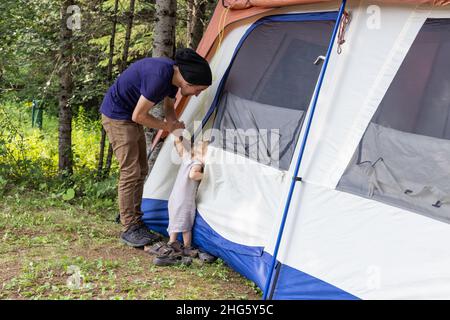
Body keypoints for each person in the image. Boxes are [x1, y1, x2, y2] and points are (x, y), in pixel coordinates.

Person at [100, 48, 212, 248]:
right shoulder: (159, 76)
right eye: (198, 90)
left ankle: (134, 219)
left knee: (141, 169)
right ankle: (129, 227)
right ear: (188, 82)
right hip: (117, 115)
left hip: (130, 115)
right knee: (131, 171)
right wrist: (168, 127)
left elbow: (169, 109)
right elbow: (139, 116)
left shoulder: (172, 78)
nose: (196, 95)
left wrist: (175, 126)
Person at [147, 137, 208, 266]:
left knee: (175, 221)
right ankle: (186, 247)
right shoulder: (197, 163)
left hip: (174, 197)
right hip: (185, 199)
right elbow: (193, 175)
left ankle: (172, 242)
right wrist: (207, 176)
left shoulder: (187, 158)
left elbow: (179, 147)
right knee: (186, 224)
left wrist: (177, 137)